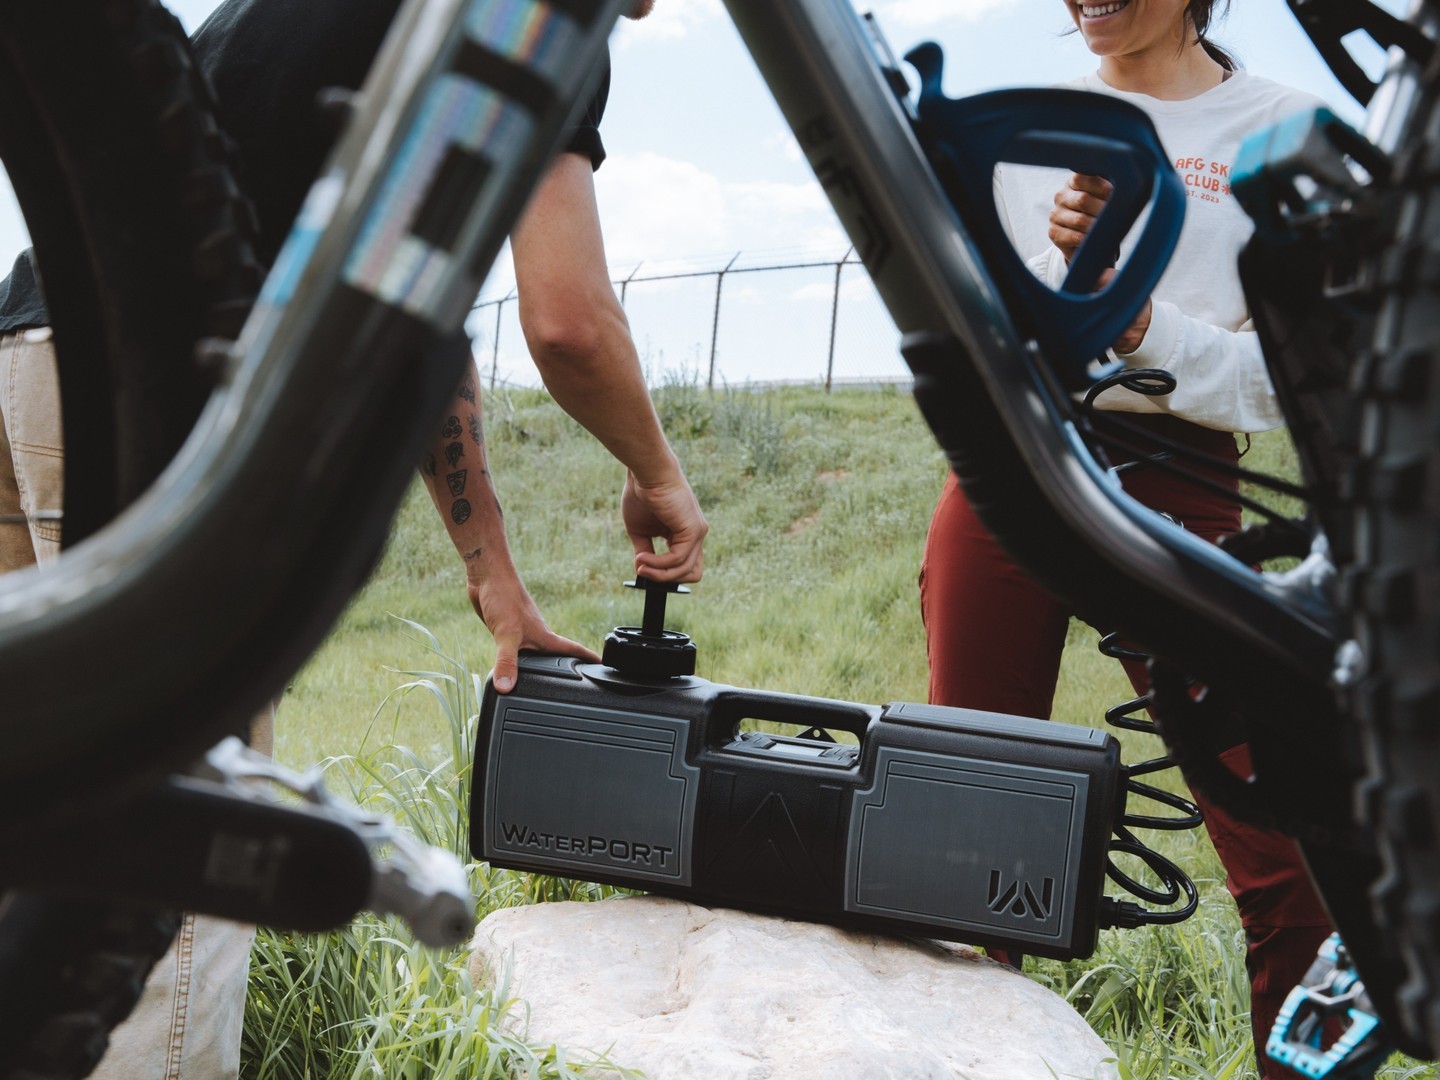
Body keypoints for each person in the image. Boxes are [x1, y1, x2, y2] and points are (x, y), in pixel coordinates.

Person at [0, 0, 698, 1074]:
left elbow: (415, 310)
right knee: (163, 863)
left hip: (26, 347)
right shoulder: (538, 16)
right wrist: (660, 474)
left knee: (32, 815)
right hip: (154, 384)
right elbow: (567, 319)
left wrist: (493, 574)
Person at [917, 0, 1332, 1074]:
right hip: (1015, 464)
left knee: (1284, 850)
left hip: (1182, 481)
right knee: (971, 825)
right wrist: (1050, 294)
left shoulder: (1280, 131)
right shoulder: (1023, 128)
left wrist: (1143, 321)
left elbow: (1282, 383)